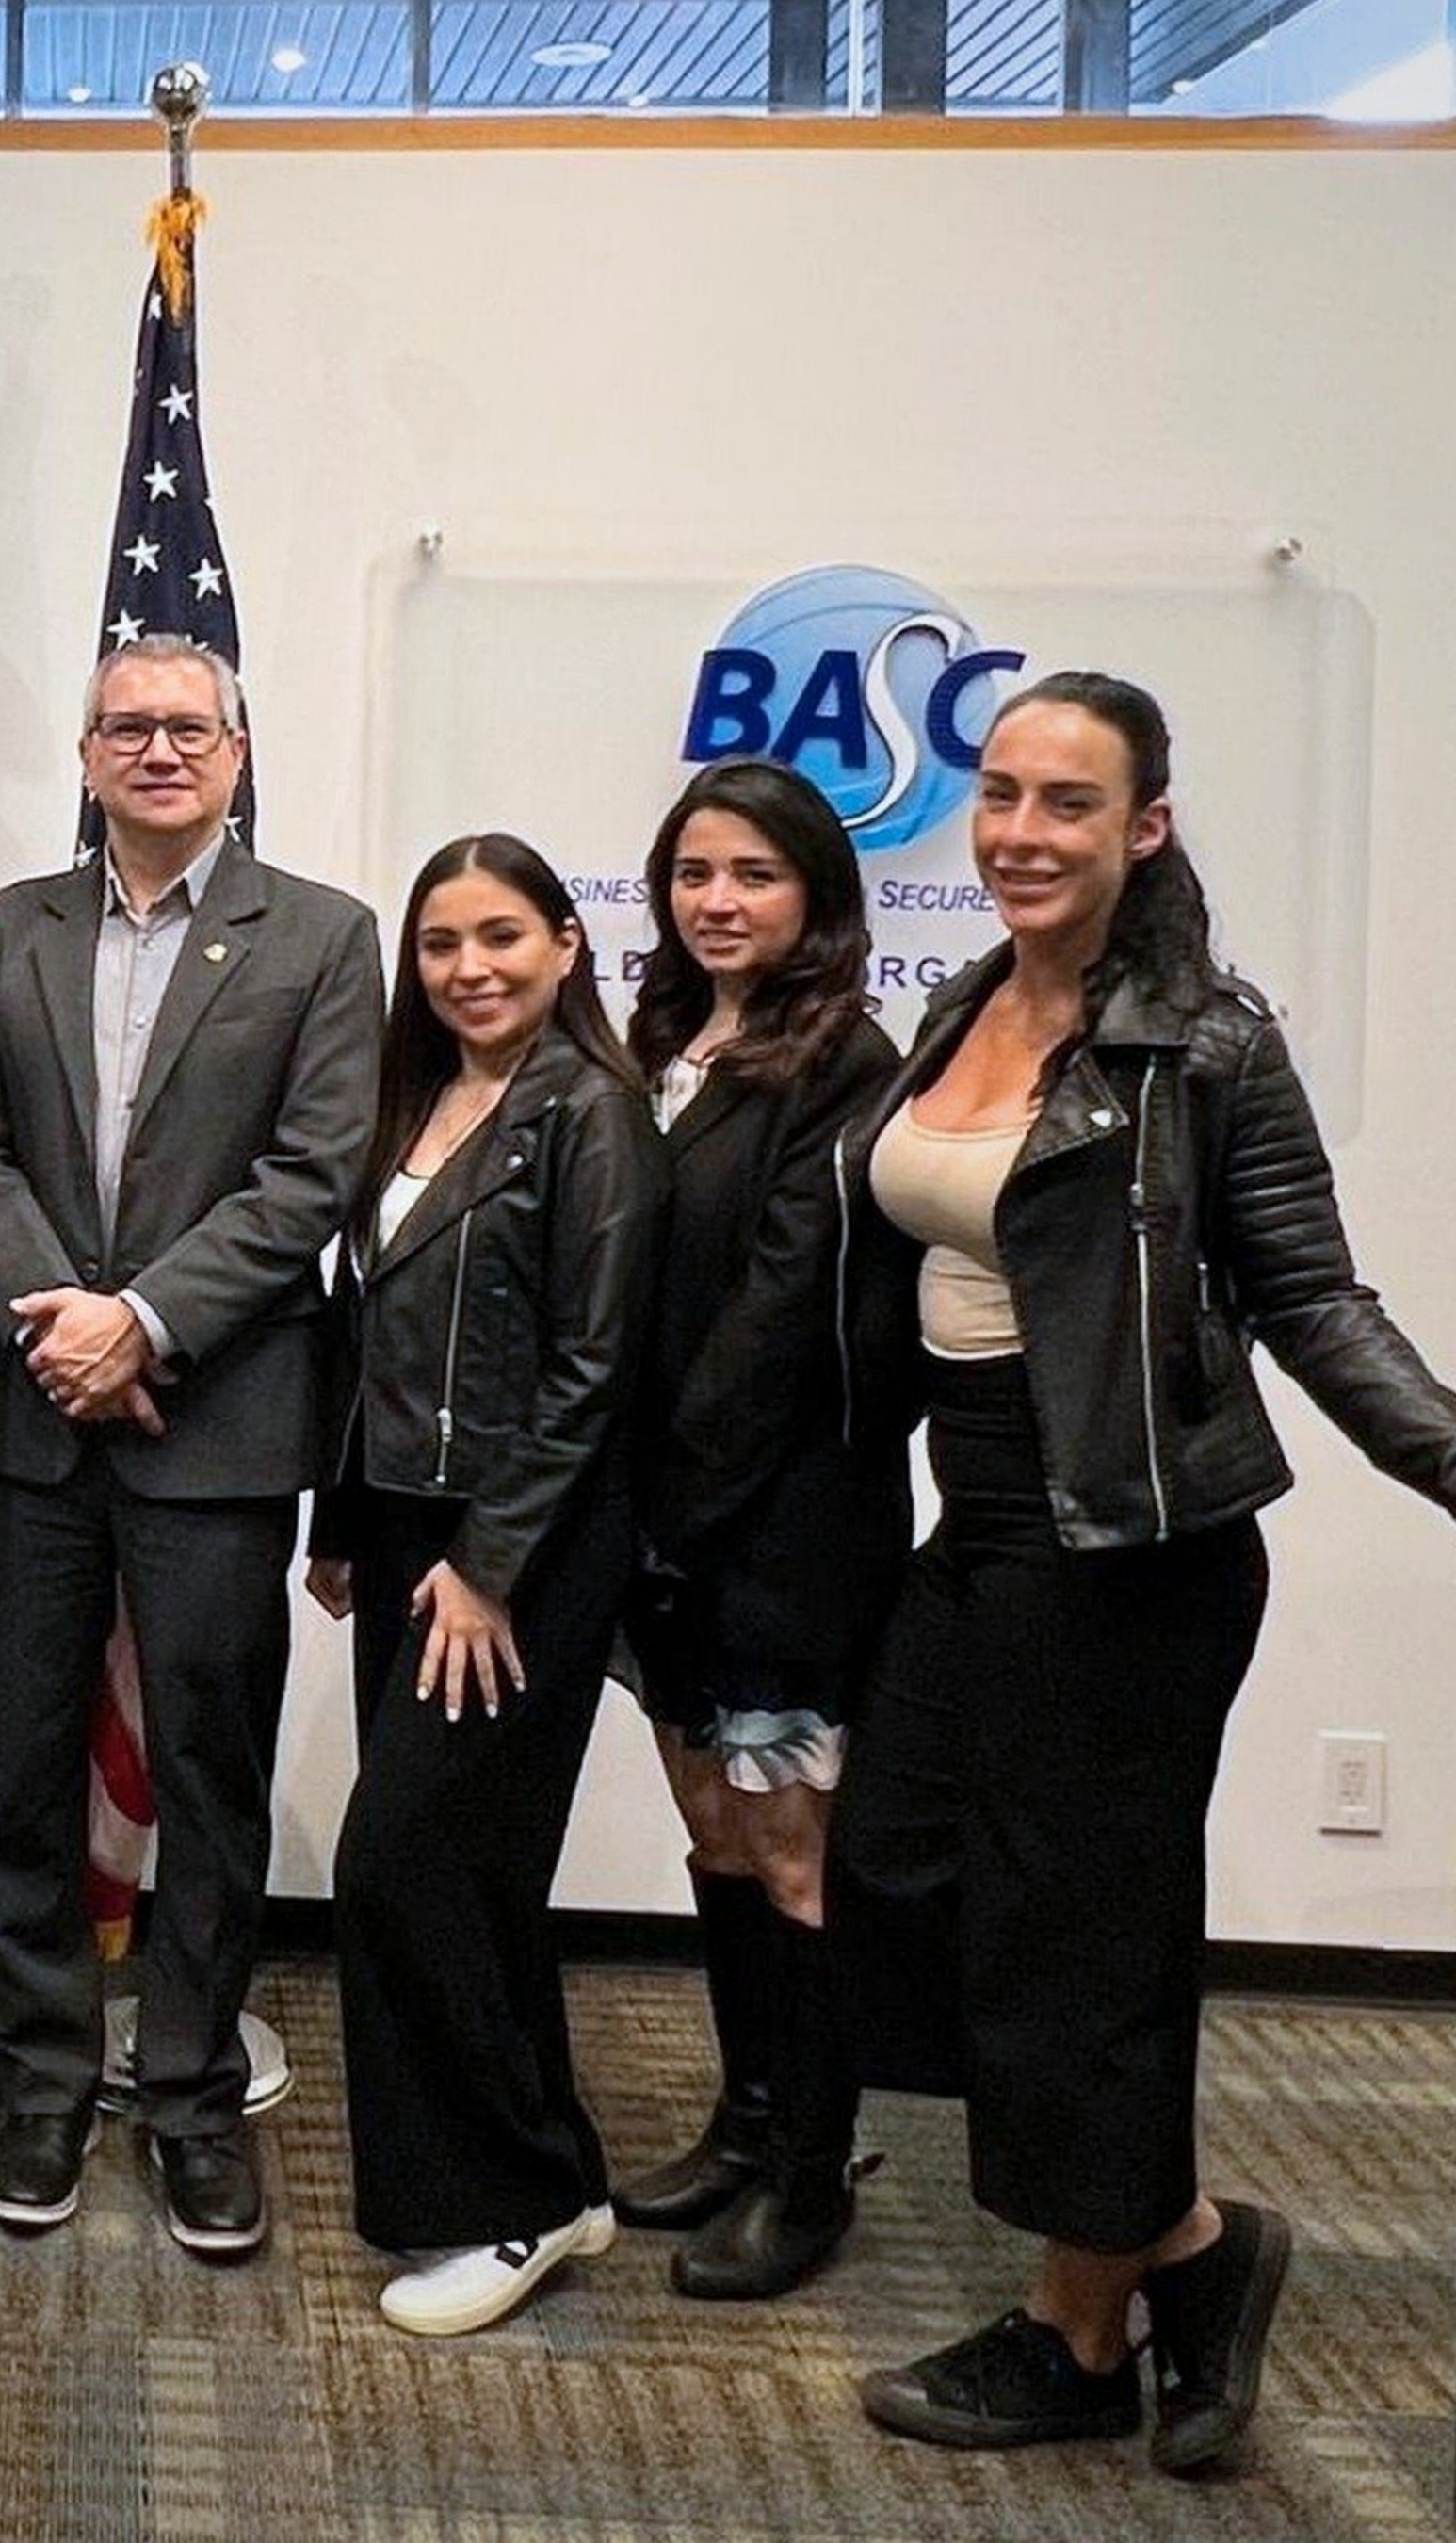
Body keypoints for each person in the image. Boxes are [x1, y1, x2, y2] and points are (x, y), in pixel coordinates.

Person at [834, 672, 1456, 2470]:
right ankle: (1185, 2236)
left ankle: (1074, 2332)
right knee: (897, 1865)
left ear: (1145, 829)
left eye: (1069, 805)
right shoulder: (963, 1001)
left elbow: (1316, 1299)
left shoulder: (1205, 1046)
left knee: (1076, 1944)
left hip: (1132, 1546)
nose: (1022, 833)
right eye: (1002, 794)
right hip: (983, 1521)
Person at [0, 636, 380, 2260]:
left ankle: (193, 2094)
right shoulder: (5, 930)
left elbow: (313, 1173)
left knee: (205, 1774)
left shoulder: (324, 938)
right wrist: (60, 1319)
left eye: (183, 727)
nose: (154, 749)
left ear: (235, 746)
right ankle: (44, 2079)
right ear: (82, 753)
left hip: (214, 1428)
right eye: (124, 727)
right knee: (26, 1772)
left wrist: (139, 1326)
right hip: (27, 1424)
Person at [308, 831, 665, 2337]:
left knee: (400, 1866)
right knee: (478, 1876)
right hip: (401, 1532)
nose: (471, 969)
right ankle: (561, 2180)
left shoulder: (593, 1116)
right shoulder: (419, 1100)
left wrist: (488, 1565)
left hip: (516, 1549)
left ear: (566, 947)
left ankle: (496, 2207)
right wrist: (343, 1521)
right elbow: (368, 1329)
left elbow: (593, 1373)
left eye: (502, 937)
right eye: (442, 944)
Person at [608, 760, 907, 2300]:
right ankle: (744, 2122)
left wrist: (670, 1498)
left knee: (792, 1849)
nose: (717, 902)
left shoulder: (846, 1061)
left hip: (779, 1519)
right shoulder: (662, 1039)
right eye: (692, 874)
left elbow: (783, 1310)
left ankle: (809, 2176)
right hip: (661, 1522)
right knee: (713, 1830)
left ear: (815, 900)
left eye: (753, 877)